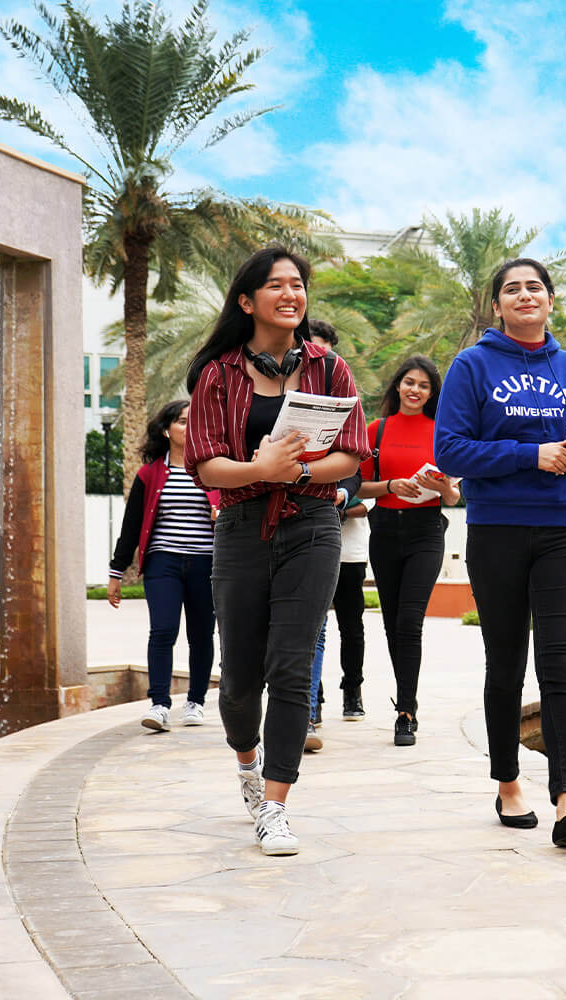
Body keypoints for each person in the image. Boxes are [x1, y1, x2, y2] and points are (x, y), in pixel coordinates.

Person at [185, 245, 369, 856]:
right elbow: (207, 467)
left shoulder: (329, 368)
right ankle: (247, 764)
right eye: (277, 285)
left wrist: (295, 473)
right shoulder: (219, 374)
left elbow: (351, 455)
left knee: (292, 666)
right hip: (239, 527)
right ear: (247, 300)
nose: (292, 294)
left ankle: (275, 804)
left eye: (299, 285)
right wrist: (257, 465)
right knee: (239, 677)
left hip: (314, 522)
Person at [435, 258, 566, 849]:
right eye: (511, 289)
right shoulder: (473, 365)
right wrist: (528, 454)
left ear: (551, 300)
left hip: (564, 529)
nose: (523, 295)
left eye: (534, 286)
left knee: (560, 666)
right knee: (506, 661)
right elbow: (453, 450)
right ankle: (507, 782)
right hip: (497, 529)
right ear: (497, 307)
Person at [356, 355, 460, 747]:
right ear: (397, 386)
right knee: (391, 622)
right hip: (384, 530)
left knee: (409, 621)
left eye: (424, 385)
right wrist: (390, 486)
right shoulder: (376, 430)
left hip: (426, 532)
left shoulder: (441, 433)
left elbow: (452, 494)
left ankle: (406, 712)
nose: (415, 390)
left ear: (432, 393)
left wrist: (444, 486)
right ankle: (405, 700)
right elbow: (357, 485)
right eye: (409, 382)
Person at [109, 400, 220, 732]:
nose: (189, 427)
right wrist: (117, 572)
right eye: (183, 422)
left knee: (201, 634)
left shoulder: (213, 470)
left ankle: (196, 702)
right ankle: (159, 704)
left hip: (206, 562)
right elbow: (131, 528)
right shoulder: (150, 474)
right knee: (163, 630)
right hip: (163, 561)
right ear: (165, 430)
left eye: (194, 421)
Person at [304, 319, 371, 749]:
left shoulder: (343, 402)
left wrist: (339, 496)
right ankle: (305, 702)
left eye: (325, 352)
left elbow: (356, 471)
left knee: (338, 624)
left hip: (335, 533)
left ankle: (320, 703)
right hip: (280, 527)